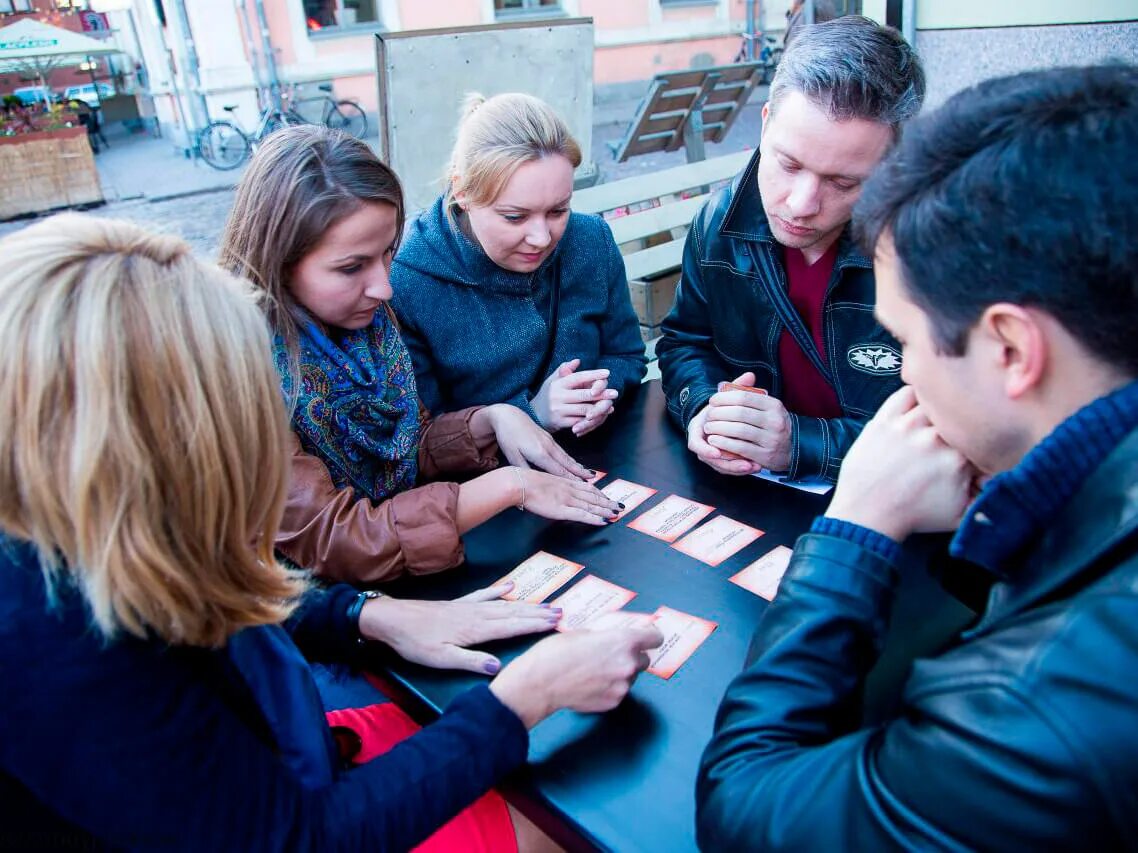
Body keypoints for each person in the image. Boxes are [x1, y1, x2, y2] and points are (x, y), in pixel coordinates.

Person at [0, 214, 663, 851]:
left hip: (286, 746)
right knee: (559, 816)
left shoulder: (74, 531)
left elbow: (208, 601)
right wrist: (529, 695)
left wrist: (368, 615)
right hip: (284, 796)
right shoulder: (53, 647)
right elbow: (298, 838)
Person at [697, 64, 1138, 849]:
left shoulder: (1030, 708)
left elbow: (744, 809)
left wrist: (856, 526)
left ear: (1010, 347)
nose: (902, 369)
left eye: (905, 341)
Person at [219, 126, 623, 585]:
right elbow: (336, 541)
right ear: (277, 260)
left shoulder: (362, 321)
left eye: (386, 253)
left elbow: (407, 444)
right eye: (352, 267)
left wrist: (491, 420)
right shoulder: (238, 373)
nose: (384, 287)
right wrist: (510, 485)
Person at [656, 16, 925, 483]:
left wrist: (798, 444)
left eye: (843, 182)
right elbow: (685, 342)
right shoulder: (718, 222)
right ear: (765, 123)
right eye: (787, 163)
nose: (801, 205)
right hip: (749, 490)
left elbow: (945, 433)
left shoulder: (928, 250)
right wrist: (704, 411)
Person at [391, 92, 646, 437]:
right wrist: (531, 413)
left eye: (558, 210)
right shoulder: (408, 282)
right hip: (489, 480)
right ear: (462, 192)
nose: (541, 237)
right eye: (515, 217)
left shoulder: (591, 239)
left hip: (599, 446)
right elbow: (427, 436)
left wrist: (595, 394)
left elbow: (626, 353)